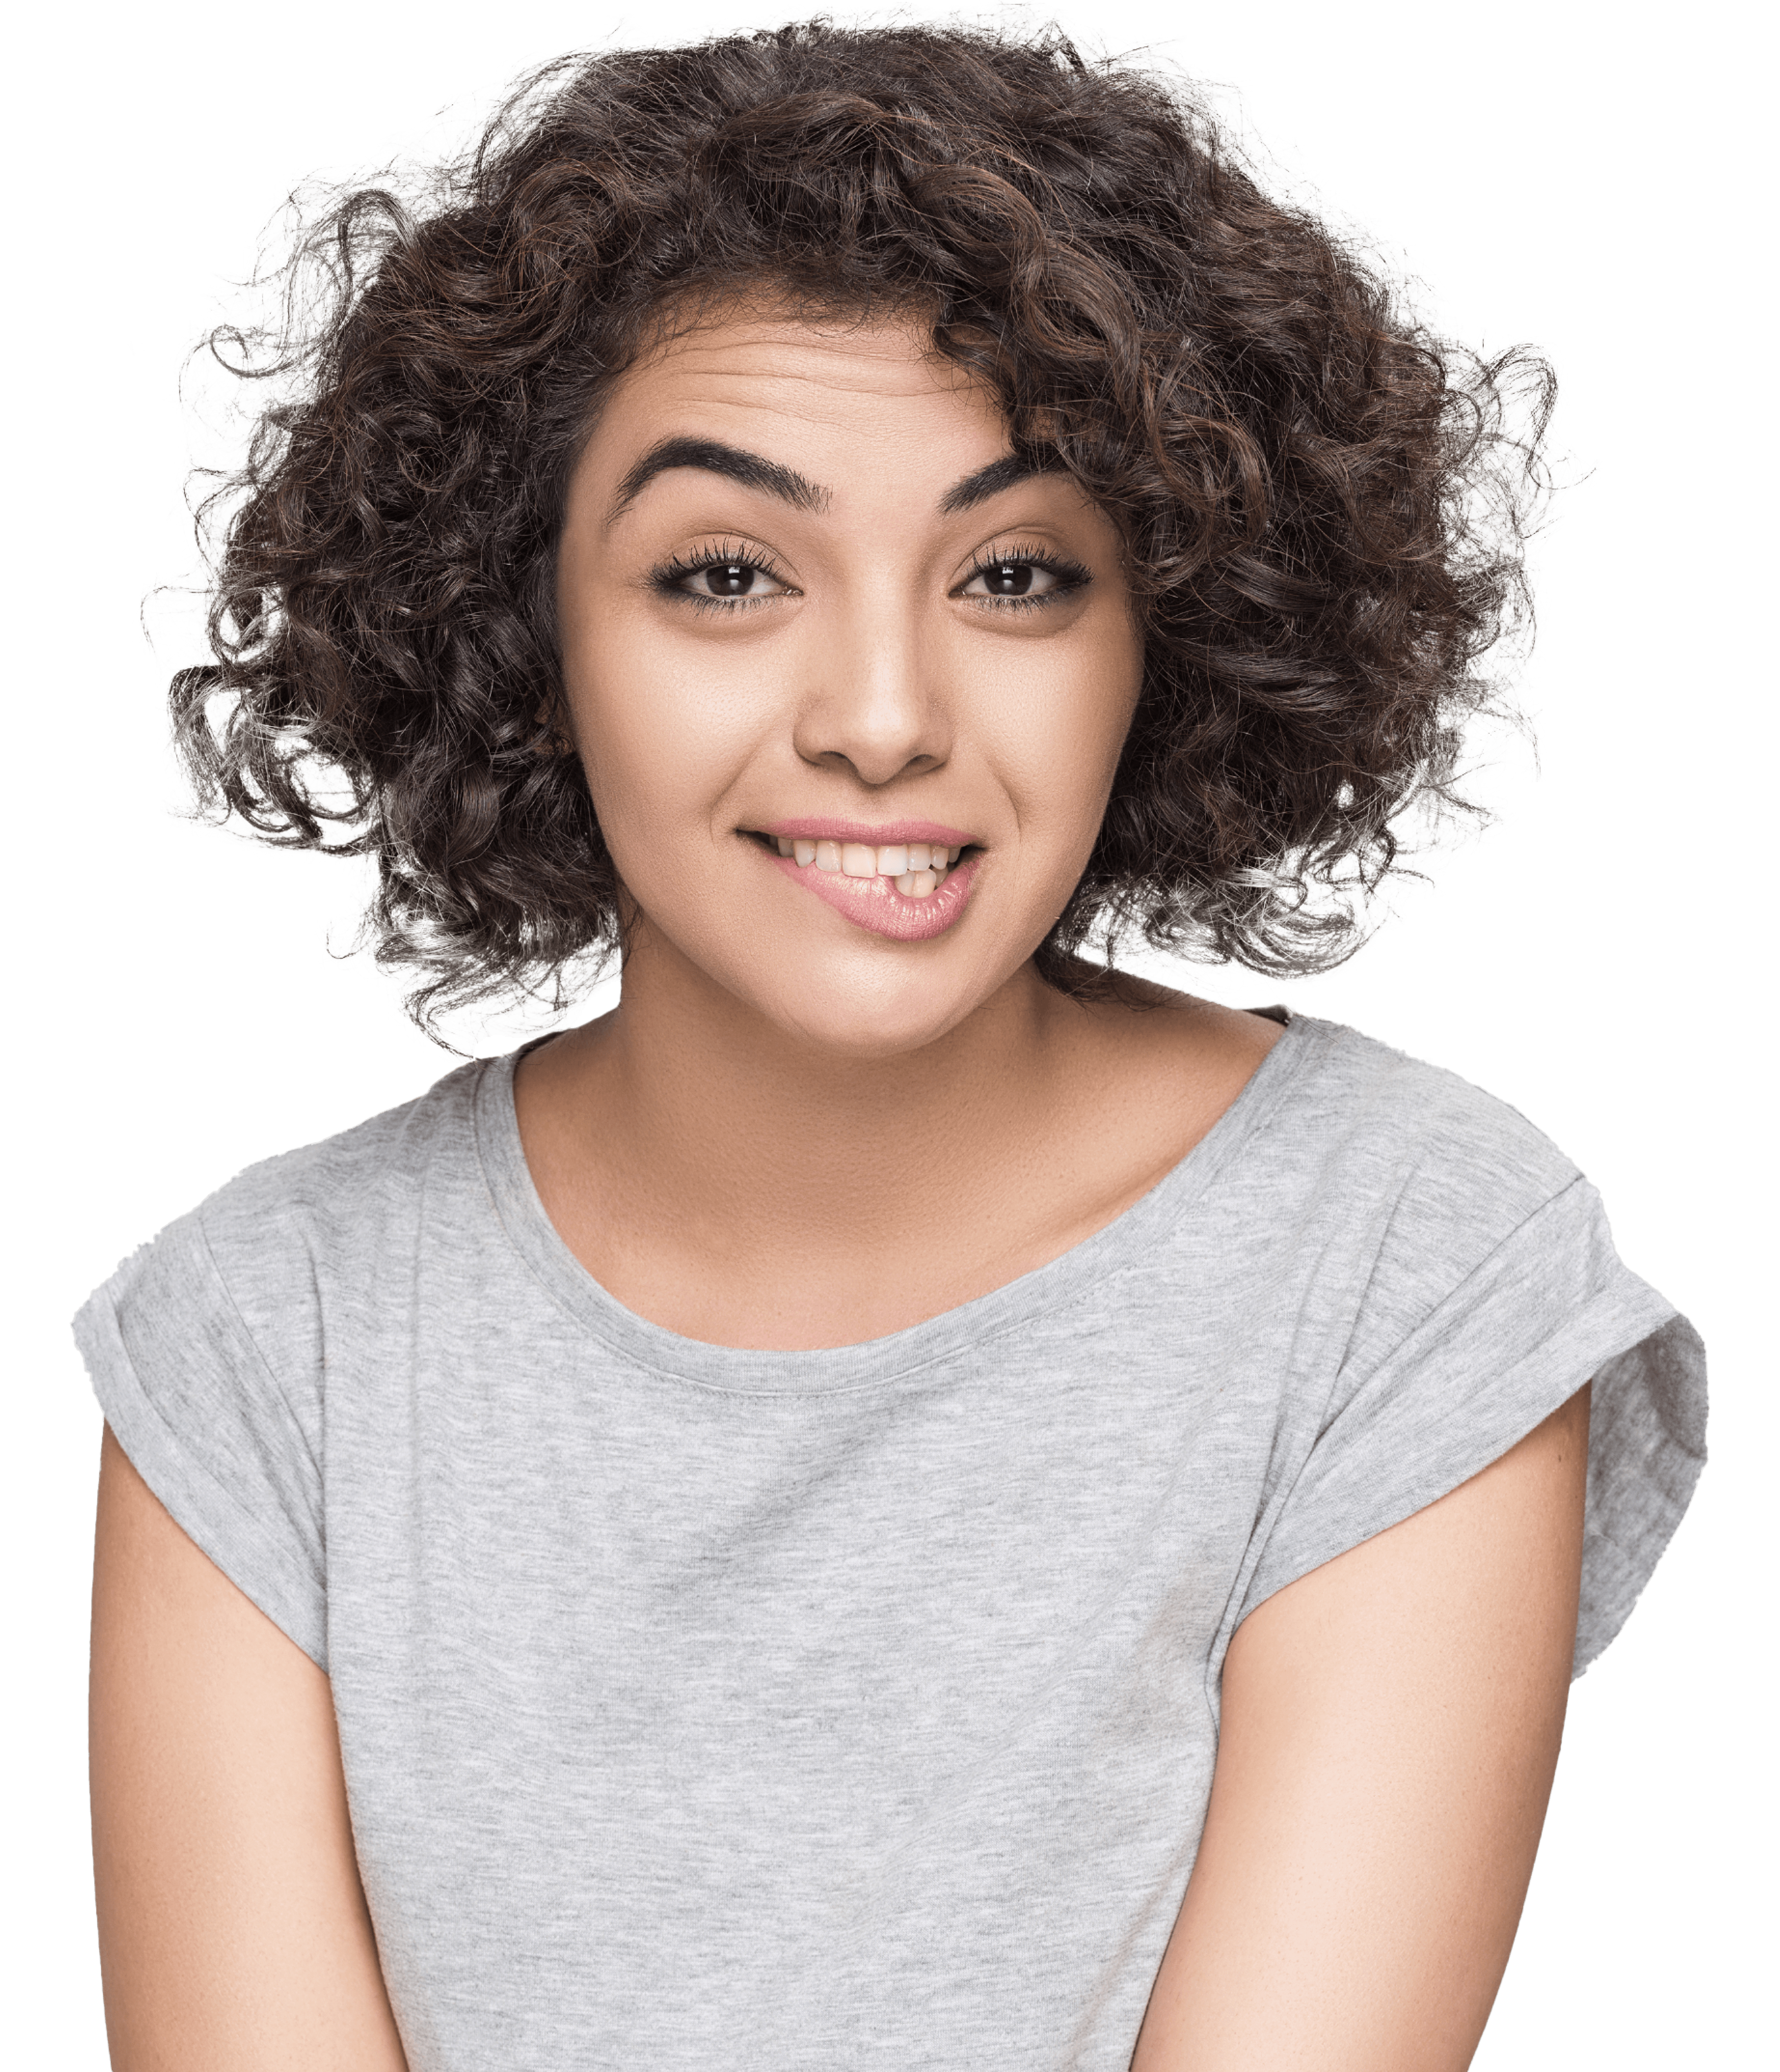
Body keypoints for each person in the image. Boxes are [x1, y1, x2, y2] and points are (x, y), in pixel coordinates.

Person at [76, 7, 1707, 2067]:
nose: (878, 713)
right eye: (726, 572)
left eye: (1017, 574)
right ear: (516, 631)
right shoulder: (262, 1340)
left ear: (1172, 641)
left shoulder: (1401, 1268)